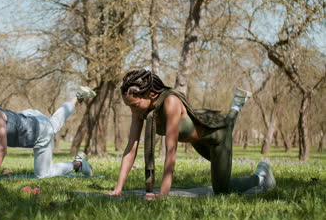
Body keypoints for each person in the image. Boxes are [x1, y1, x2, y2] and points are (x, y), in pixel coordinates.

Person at [109, 69, 276, 199]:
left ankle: (261, 177)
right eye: (129, 106)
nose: (132, 110)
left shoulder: (170, 102)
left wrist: (163, 193)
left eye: (135, 105)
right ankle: (237, 105)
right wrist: (118, 188)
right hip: (197, 138)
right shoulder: (140, 109)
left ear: (151, 95)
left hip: (217, 140)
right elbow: (131, 147)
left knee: (221, 190)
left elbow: (171, 151)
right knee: (222, 127)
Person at [0, 86, 97, 179]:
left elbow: (1, 149)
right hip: (29, 117)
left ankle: (78, 164)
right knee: (55, 122)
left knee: (43, 174)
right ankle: (77, 97)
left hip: (39, 132)